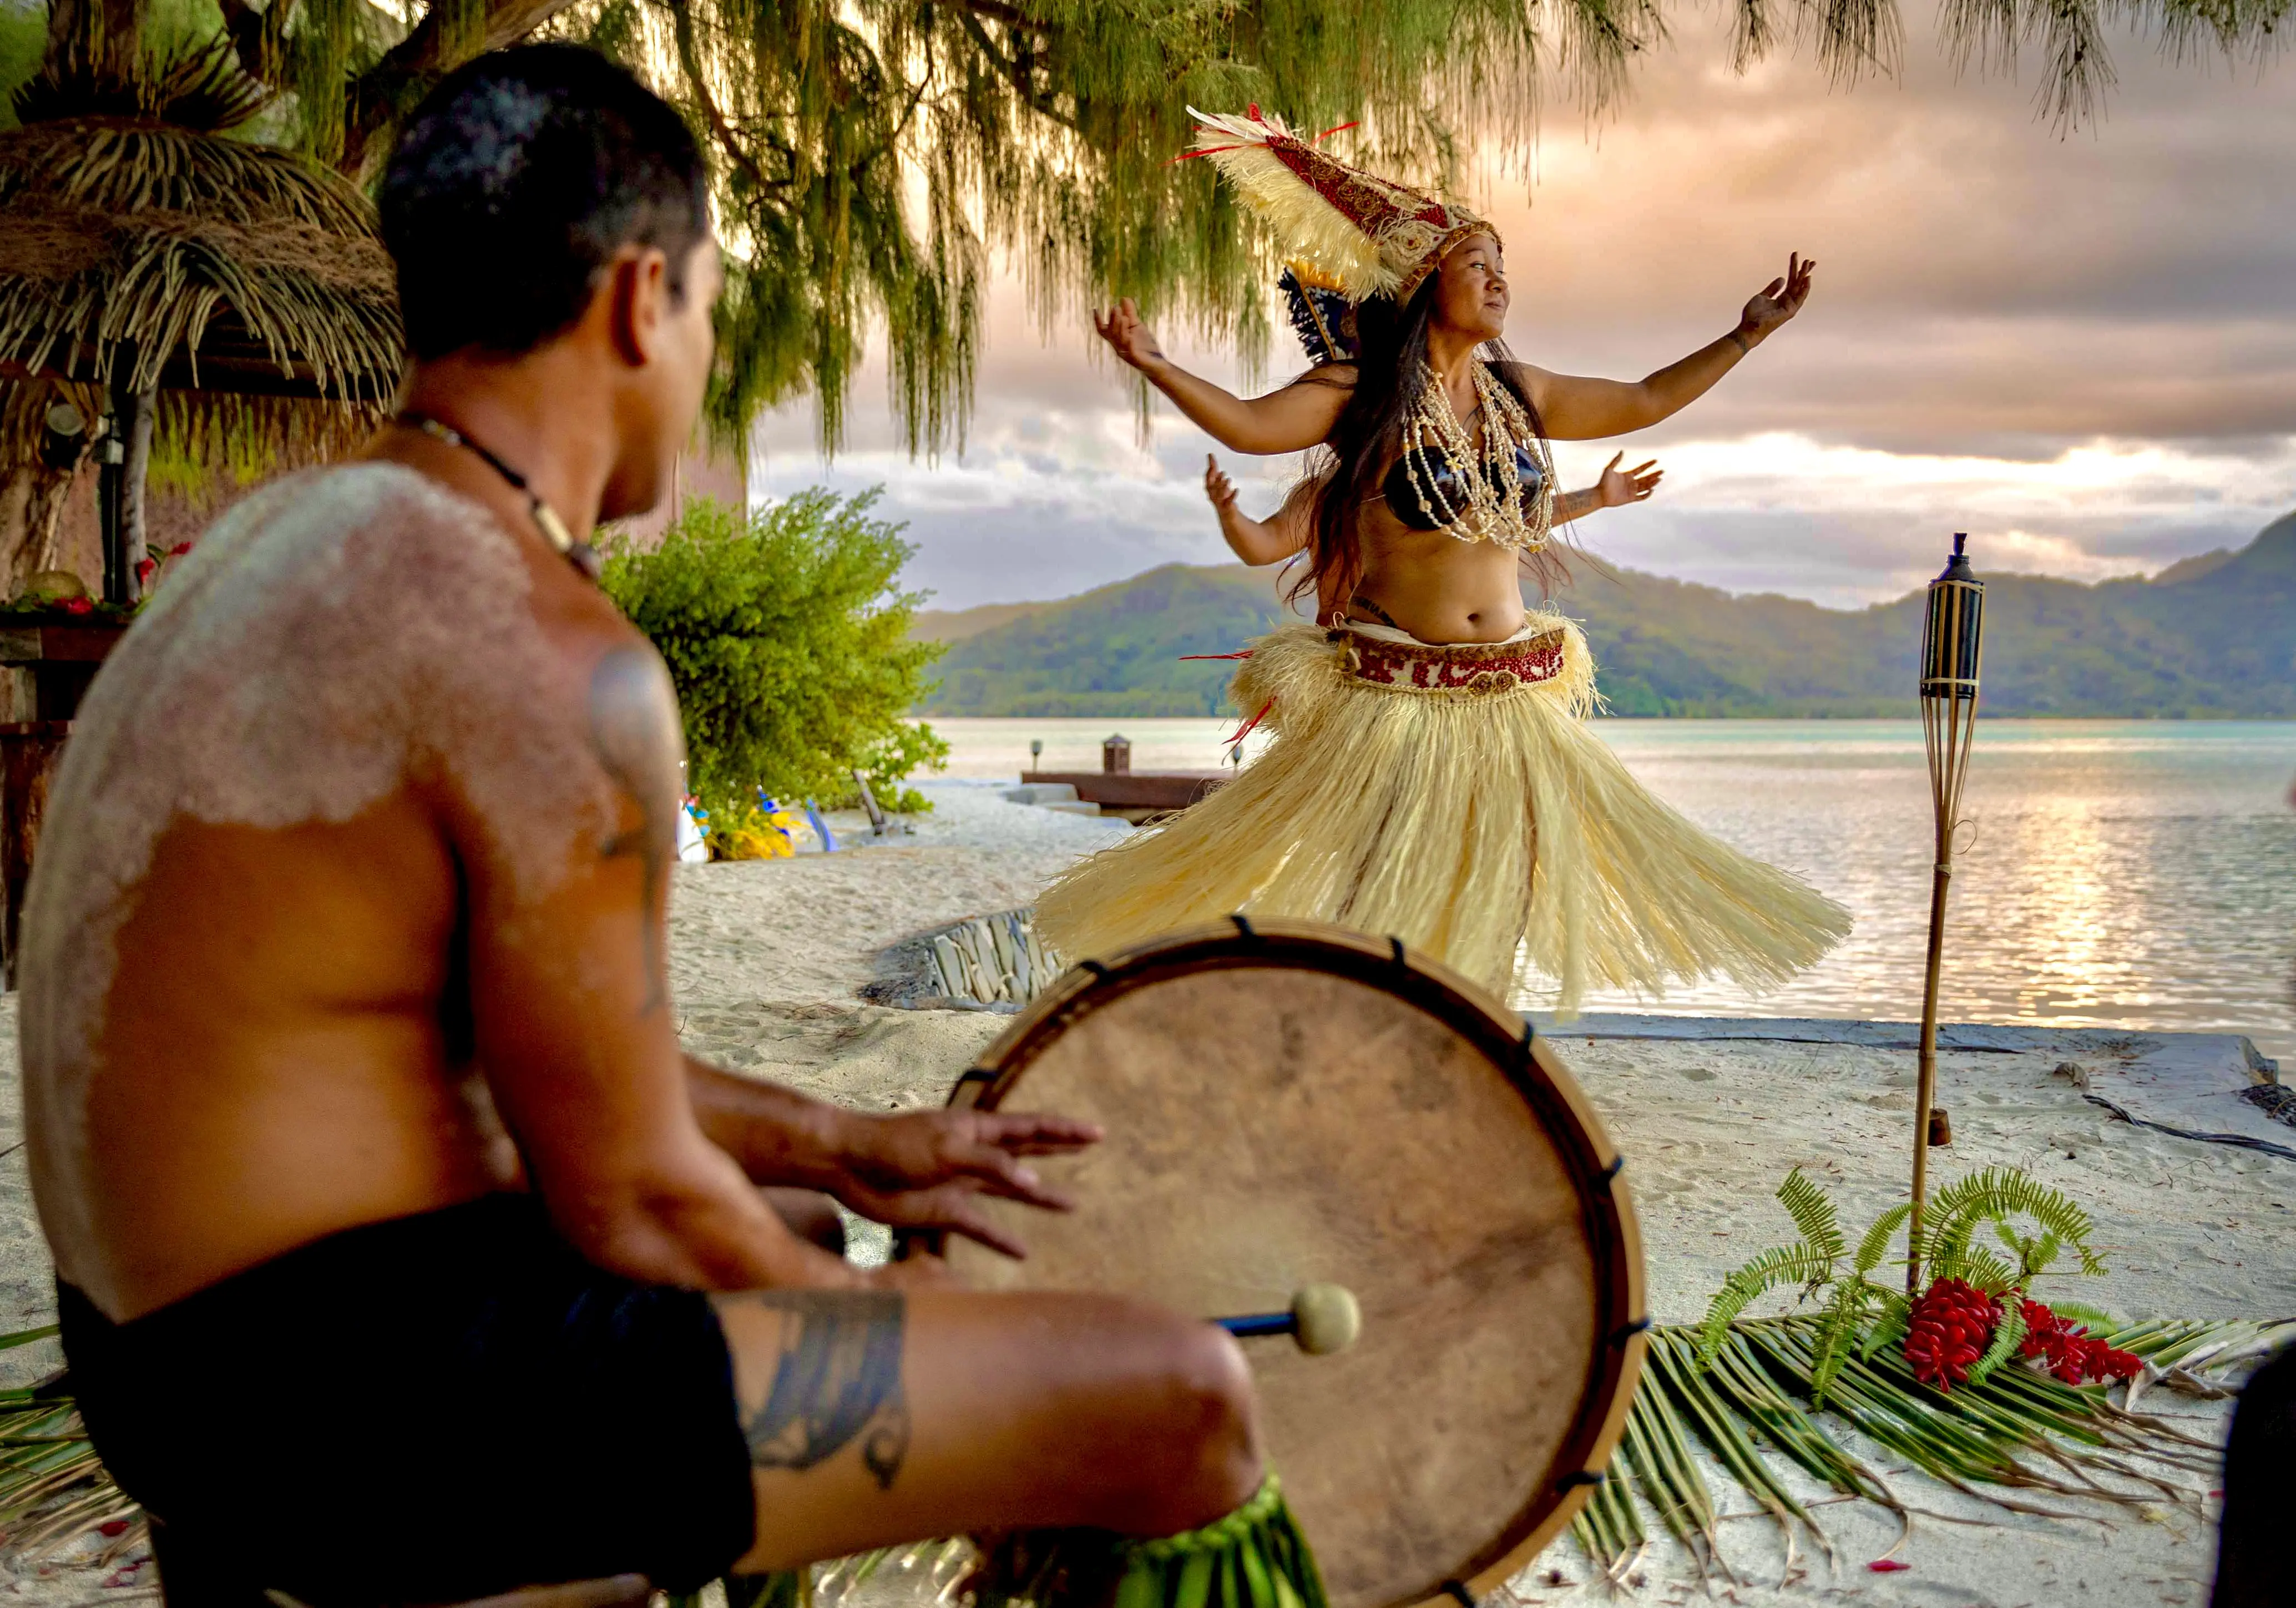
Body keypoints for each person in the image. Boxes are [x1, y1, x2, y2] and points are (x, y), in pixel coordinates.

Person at [19, 46, 1265, 1606]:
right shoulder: (545, 649)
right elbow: (635, 1197)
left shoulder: (283, 552)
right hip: (342, 1412)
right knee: (1179, 1397)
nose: (701, 365)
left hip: (164, 1359)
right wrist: (941, 1368)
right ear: (635, 301)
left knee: (799, 1208)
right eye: (707, 317)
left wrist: (847, 1147)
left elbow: (517, 1055)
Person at [1034, 108, 1849, 1014]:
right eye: (1477, 265)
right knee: (1382, 896)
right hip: (1394, 699)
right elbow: (1251, 425)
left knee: (1490, 901)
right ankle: (1351, 1030)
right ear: (1425, 281)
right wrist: (1158, 365)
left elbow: (1647, 397)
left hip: (1508, 697)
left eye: (1503, 267)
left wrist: (1748, 334)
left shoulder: (1517, 392)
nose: (1499, 281)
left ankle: (1458, 1042)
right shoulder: (1360, 394)